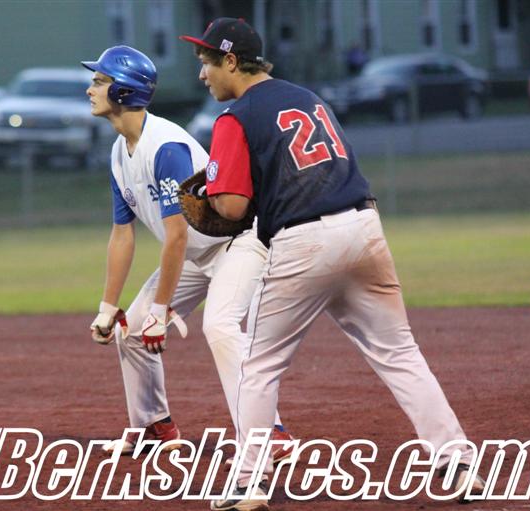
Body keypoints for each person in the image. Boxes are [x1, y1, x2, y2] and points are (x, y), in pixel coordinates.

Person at [181, 18, 486, 510]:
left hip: (304, 242)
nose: (202, 75)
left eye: (207, 63)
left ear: (231, 62)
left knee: (257, 366)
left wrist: (215, 198)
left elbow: (233, 207)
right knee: (400, 354)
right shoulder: (309, 98)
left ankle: (248, 482)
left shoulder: (235, 117)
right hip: (364, 227)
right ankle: (459, 463)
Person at [82, 45, 295, 459]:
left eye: (99, 81)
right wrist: (108, 308)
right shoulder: (119, 153)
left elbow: (176, 235)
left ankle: (269, 433)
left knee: (221, 327)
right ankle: (154, 426)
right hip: (197, 254)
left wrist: (161, 310)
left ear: (123, 92)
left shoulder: (166, 147)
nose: (90, 89)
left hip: (238, 244)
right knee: (133, 329)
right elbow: (122, 235)